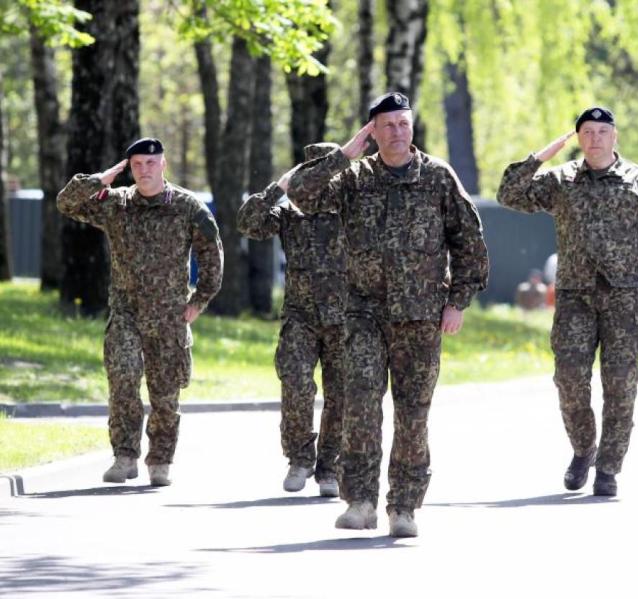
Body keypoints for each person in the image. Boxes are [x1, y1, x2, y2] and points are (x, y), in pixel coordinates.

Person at [282, 92, 489, 537]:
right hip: (362, 315)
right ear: (372, 131)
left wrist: (457, 301)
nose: (397, 131)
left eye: (403, 122)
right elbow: (299, 194)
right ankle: (359, 501)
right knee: (359, 407)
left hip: (421, 317)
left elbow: (469, 242)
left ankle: (405, 507)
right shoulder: (353, 178)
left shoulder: (437, 177)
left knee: (413, 413)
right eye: (387, 124)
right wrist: (344, 154)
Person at [497, 107, 638, 496]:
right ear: (578, 138)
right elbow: (509, 194)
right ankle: (584, 449)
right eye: (587, 132)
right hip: (575, 296)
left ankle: (609, 469)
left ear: (614, 137)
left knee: (620, 385)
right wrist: (541, 157)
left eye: (602, 131)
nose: (594, 138)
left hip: (623, 298)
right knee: (570, 379)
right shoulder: (562, 180)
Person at [57, 137, 223, 486]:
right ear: (129, 168)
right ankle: (125, 456)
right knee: (122, 379)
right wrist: (99, 180)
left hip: (169, 317)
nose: (144, 170)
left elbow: (212, 254)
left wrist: (199, 300)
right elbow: (66, 203)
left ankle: (160, 459)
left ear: (163, 164)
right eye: (137, 165)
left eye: (151, 163)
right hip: (126, 313)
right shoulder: (116, 204)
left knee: (164, 394)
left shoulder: (187, 206)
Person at [237, 142, 347, 498]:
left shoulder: (352, 209)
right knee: (296, 386)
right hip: (300, 316)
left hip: (345, 318)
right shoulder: (290, 213)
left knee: (341, 397)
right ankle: (300, 458)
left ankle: (330, 467)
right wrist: (278, 189)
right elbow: (248, 223)